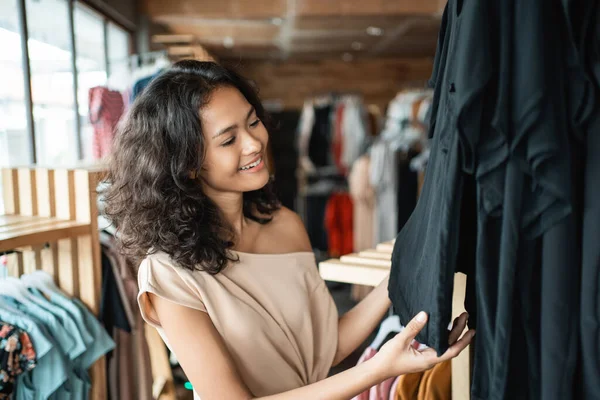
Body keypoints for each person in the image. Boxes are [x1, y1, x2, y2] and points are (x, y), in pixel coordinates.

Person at [103, 60, 474, 400]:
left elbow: (328, 347)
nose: (254, 143)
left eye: (252, 122)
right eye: (229, 140)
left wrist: (407, 259)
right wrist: (378, 369)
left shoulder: (285, 225)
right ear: (187, 165)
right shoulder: (168, 272)